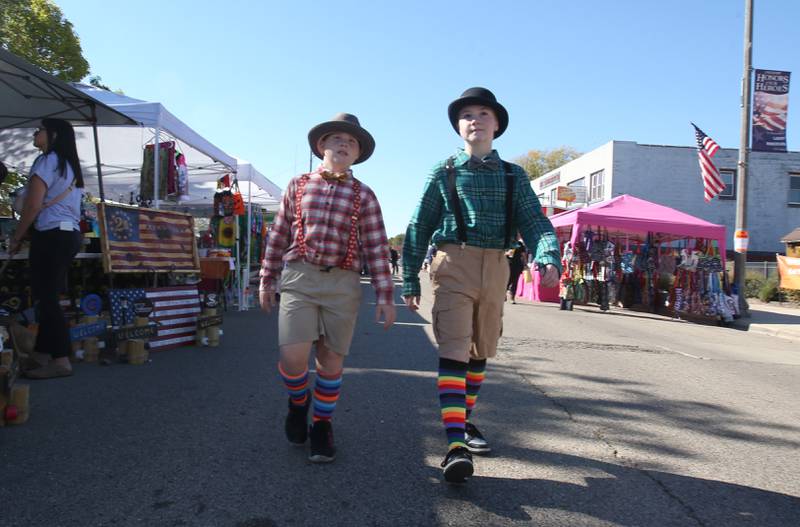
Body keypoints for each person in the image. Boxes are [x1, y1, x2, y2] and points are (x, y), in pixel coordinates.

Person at [402, 87, 561, 484]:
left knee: (480, 351)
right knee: (455, 348)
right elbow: (420, 224)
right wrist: (408, 277)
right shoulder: (444, 171)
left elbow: (535, 221)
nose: (476, 120)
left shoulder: (513, 174)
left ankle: (464, 419)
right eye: (468, 114)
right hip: (454, 262)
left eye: (484, 114)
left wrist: (548, 255)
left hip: (497, 267)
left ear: (497, 125)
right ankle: (455, 444)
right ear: (459, 126)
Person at [259, 113, 396, 463]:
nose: (344, 144)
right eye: (337, 138)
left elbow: (378, 246)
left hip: (343, 283)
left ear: (357, 154)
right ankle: (298, 402)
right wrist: (266, 278)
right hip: (300, 278)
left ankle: (322, 426)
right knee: (292, 357)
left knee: (330, 361)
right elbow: (278, 234)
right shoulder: (298, 185)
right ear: (322, 145)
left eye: (351, 142)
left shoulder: (364, 195)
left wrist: (384, 295)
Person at [9, 118, 84, 379]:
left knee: (47, 298)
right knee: (46, 295)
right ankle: (41, 355)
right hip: (69, 234)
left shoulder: (46, 161)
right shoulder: (70, 166)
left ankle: (61, 359)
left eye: (39, 129)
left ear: (52, 135)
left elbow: (32, 205)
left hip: (51, 234)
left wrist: (17, 236)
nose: (35, 132)